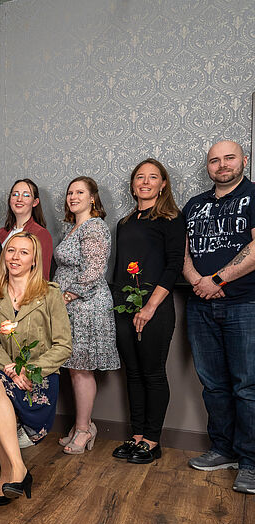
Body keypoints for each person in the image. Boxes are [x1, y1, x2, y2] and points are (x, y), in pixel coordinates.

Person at [0, 232, 71, 505]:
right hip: (6, 373)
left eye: (24, 252)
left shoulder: (50, 294)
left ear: (34, 260)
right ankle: (16, 470)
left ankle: (12, 472)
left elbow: (64, 346)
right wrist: (10, 369)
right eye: (11, 251)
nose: (15, 257)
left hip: (38, 379)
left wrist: (28, 370)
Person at [183, 140, 255, 494]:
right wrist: (198, 282)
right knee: (213, 384)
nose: (222, 165)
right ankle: (223, 449)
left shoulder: (253, 196)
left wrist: (217, 280)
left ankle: (251, 462)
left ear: (244, 160)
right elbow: (182, 252)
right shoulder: (194, 204)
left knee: (247, 386)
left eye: (229, 158)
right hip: (200, 306)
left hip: (244, 304)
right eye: (215, 160)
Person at [111, 159, 185, 464]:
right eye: (140, 177)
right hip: (123, 307)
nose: (145, 182)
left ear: (163, 184)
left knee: (153, 373)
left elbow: (174, 265)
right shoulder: (125, 223)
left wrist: (150, 307)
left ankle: (153, 440)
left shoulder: (171, 219)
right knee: (133, 373)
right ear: (132, 185)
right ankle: (137, 435)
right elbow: (119, 269)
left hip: (155, 307)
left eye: (153, 177)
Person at [54, 177, 119, 455]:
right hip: (71, 307)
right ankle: (82, 424)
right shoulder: (73, 227)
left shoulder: (94, 226)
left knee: (81, 369)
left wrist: (67, 296)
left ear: (93, 198)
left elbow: (94, 270)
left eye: (80, 192)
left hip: (86, 306)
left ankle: (84, 429)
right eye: (70, 192)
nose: (73, 196)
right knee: (74, 367)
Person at [0, 179, 55, 279]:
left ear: (35, 202)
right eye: (15, 194)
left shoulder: (41, 234)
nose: (19, 199)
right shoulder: (2, 232)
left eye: (26, 195)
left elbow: (43, 275)